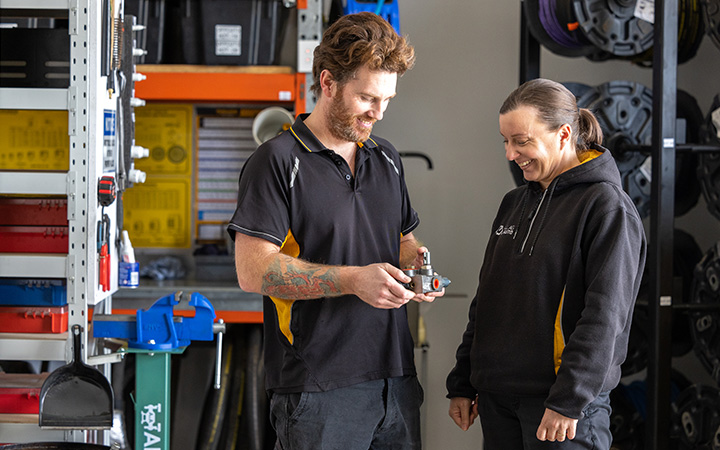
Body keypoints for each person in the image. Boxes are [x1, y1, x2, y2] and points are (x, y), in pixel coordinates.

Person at [227, 12, 443, 450]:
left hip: (395, 380)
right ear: (328, 83)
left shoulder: (385, 158)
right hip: (318, 387)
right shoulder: (277, 162)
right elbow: (253, 271)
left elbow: (403, 239)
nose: (378, 113)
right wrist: (352, 280)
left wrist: (418, 265)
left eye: (387, 100)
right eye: (367, 98)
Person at [446, 78, 647, 449]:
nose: (510, 154)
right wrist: (463, 380)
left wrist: (568, 401)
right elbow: (487, 299)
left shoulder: (606, 207)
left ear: (564, 134)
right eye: (505, 141)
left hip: (561, 408)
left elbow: (604, 316)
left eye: (521, 142)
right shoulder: (514, 202)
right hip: (497, 400)